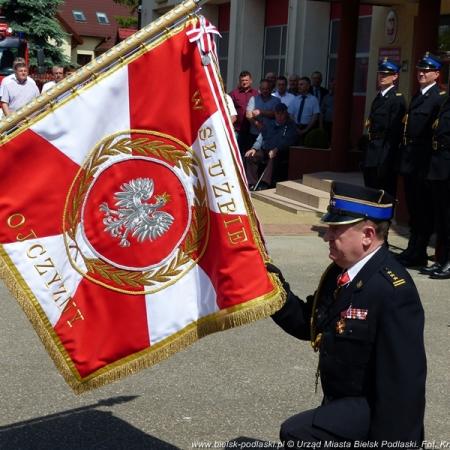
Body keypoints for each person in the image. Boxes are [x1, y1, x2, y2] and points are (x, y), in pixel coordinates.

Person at [268, 182, 426, 446]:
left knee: (297, 432)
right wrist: (270, 287)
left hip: (375, 411)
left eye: (336, 229)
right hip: (341, 402)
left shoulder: (392, 291)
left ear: (367, 234)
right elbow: (308, 323)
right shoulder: (340, 272)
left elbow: (403, 387)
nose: (327, 235)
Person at [397, 52, 446, 268]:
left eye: (427, 71)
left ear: (437, 74)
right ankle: (413, 249)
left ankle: (420, 250)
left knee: (424, 210)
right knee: (414, 208)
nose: (422, 73)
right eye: (420, 70)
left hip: (423, 163)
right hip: (410, 160)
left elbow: (434, 134)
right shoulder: (418, 96)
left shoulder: (438, 98)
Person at [363, 59, 406, 198]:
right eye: (380, 73)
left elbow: (394, 133)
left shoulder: (397, 99)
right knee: (370, 188)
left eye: (386, 74)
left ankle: (384, 219)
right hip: (372, 150)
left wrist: (385, 157)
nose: (382, 76)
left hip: (384, 152)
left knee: (384, 191)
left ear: (395, 77)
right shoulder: (379, 97)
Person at [420, 93, 450, 278]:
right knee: (442, 218)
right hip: (439, 165)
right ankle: (442, 258)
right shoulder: (446, 101)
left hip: (448, 166)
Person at [244, 103, 298, 190]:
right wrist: (254, 148)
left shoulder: (290, 125)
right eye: (277, 113)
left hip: (280, 152)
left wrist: (276, 149)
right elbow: (261, 137)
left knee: (272, 157)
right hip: (266, 150)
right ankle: (252, 183)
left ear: (286, 114)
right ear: (275, 114)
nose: (280, 116)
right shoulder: (270, 124)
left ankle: (264, 183)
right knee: (250, 156)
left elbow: (288, 140)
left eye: (282, 113)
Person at [229, 70, 259, 155]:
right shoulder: (233, 94)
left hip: (252, 130)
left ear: (251, 81)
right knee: (237, 153)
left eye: (246, 80)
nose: (244, 82)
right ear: (239, 81)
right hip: (238, 130)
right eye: (242, 80)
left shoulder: (256, 94)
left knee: (250, 154)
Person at [246, 79, 281, 146]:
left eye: (267, 89)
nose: (265, 91)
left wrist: (261, 112)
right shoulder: (253, 99)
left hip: (270, 134)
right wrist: (257, 123)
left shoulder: (276, 100)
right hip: (255, 133)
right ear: (260, 89)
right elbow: (248, 115)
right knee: (253, 154)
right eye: (263, 89)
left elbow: (276, 114)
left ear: (271, 89)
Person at [288, 77, 320, 144]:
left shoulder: (314, 100)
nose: (299, 86)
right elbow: (291, 115)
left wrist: (306, 130)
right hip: (295, 128)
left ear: (308, 86)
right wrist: (296, 128)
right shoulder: (295, 99)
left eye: (301, 84)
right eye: (299, 84)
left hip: (309, 129)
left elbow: (315, 117)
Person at [320, 78, 335, 145]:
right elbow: (322, 111)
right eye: (332, 84)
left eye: (335, 84)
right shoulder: (326, 97)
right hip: (327, 122)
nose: (333, 86)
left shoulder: (341, 96)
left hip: (336, 124)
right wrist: (321, 125)